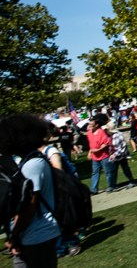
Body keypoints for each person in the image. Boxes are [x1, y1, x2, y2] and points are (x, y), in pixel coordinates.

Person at [0, 114, 61, 267]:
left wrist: (15, 235)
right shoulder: (30, 161)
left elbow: (29, 205)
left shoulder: (32, 165)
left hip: (38, 234)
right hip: (32, 234)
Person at [86, 113, 115, 194]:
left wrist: (98, 150)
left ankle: (111, 186)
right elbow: (91, 145)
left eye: (91, 124)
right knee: (95, 172)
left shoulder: (101, 132)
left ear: (97, 125)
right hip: (95, 157)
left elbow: (106, 143)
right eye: (89, 124)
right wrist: (89, 153)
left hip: (104, 156)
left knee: (108, 172)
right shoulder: (89, 133)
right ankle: (93, 189)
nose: (89, 126)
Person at [105, 122, 137, 190]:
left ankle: (132, 181)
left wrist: (114, 154)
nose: (106, 131)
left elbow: (122, 147)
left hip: (121, 155)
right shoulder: (110, 136)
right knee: (113, 170)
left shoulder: (118, 135)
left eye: (107, 129)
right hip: (114, 156)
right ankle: (112, 186)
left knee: (125, 169)